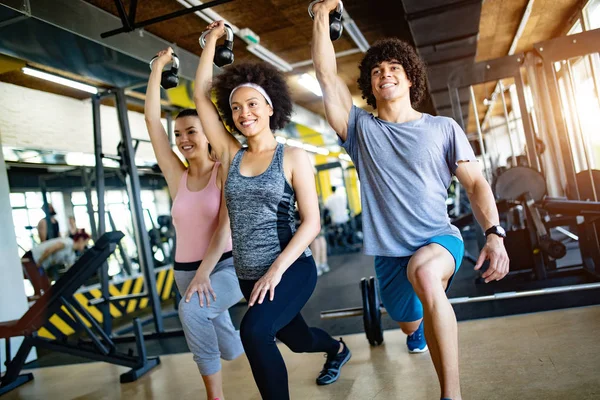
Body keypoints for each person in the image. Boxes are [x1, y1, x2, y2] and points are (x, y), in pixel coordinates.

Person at [311, 2, 510, 399]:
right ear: (371, 85)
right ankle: (415, 328)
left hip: (439, 239)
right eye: (377, 71)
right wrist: (320, 15)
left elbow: (475, 184)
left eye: (394, 69)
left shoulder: (443, 128)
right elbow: (325, 74)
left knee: (423, 271)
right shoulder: (360, 130)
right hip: (389, 254)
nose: (385, 74)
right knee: (405, 319)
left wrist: (495, 233)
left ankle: (450, 394)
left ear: (409, 79)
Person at [194, 20, 351, 399]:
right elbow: (201, 96)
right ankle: (337, 349)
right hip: (250, 275)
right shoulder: (231, 155)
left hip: (290, 269)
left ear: (269, 106)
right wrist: (211, 43)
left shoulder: (293, 157)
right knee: (297, 340)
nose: (243, 113)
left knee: (254, 331)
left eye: (251, 104)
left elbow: (311, 223)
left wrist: (276, 272)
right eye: (235, 107)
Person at [144, 47, 244, 400]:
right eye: (179, 135)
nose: (183, 140)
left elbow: (224, 227)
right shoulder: (177, 175)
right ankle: (234, 348)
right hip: (185, 271)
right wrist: (157, 70)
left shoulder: (225, 170)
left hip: (226, 266)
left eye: (191, 131)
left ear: (207, 133)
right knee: (225, 342)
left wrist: (205, 271)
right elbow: (152, 124)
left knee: (190, 312)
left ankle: (214, 397)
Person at [23, 230, 91, 273]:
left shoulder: (71, 254)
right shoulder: (68, 242)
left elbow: (71, 268)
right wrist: (38, 263)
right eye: (86, 242)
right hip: (33, 258)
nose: (86, 245)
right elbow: (49, 250)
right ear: (81, 240)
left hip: (40, 265)